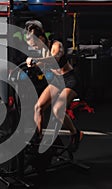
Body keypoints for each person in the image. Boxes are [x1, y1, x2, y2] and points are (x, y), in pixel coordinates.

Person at [24, 20, 83, 151]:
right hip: (56, 81)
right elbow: (37, 64)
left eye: (35, 45)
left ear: (41, 38)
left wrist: (36, 60)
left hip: (69, 80)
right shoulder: (39, 52)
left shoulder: (56, 45)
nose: (35, 48)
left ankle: (75, 133)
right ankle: (38, 139)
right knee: (38, 107)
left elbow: (55, 59)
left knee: (57, 111)